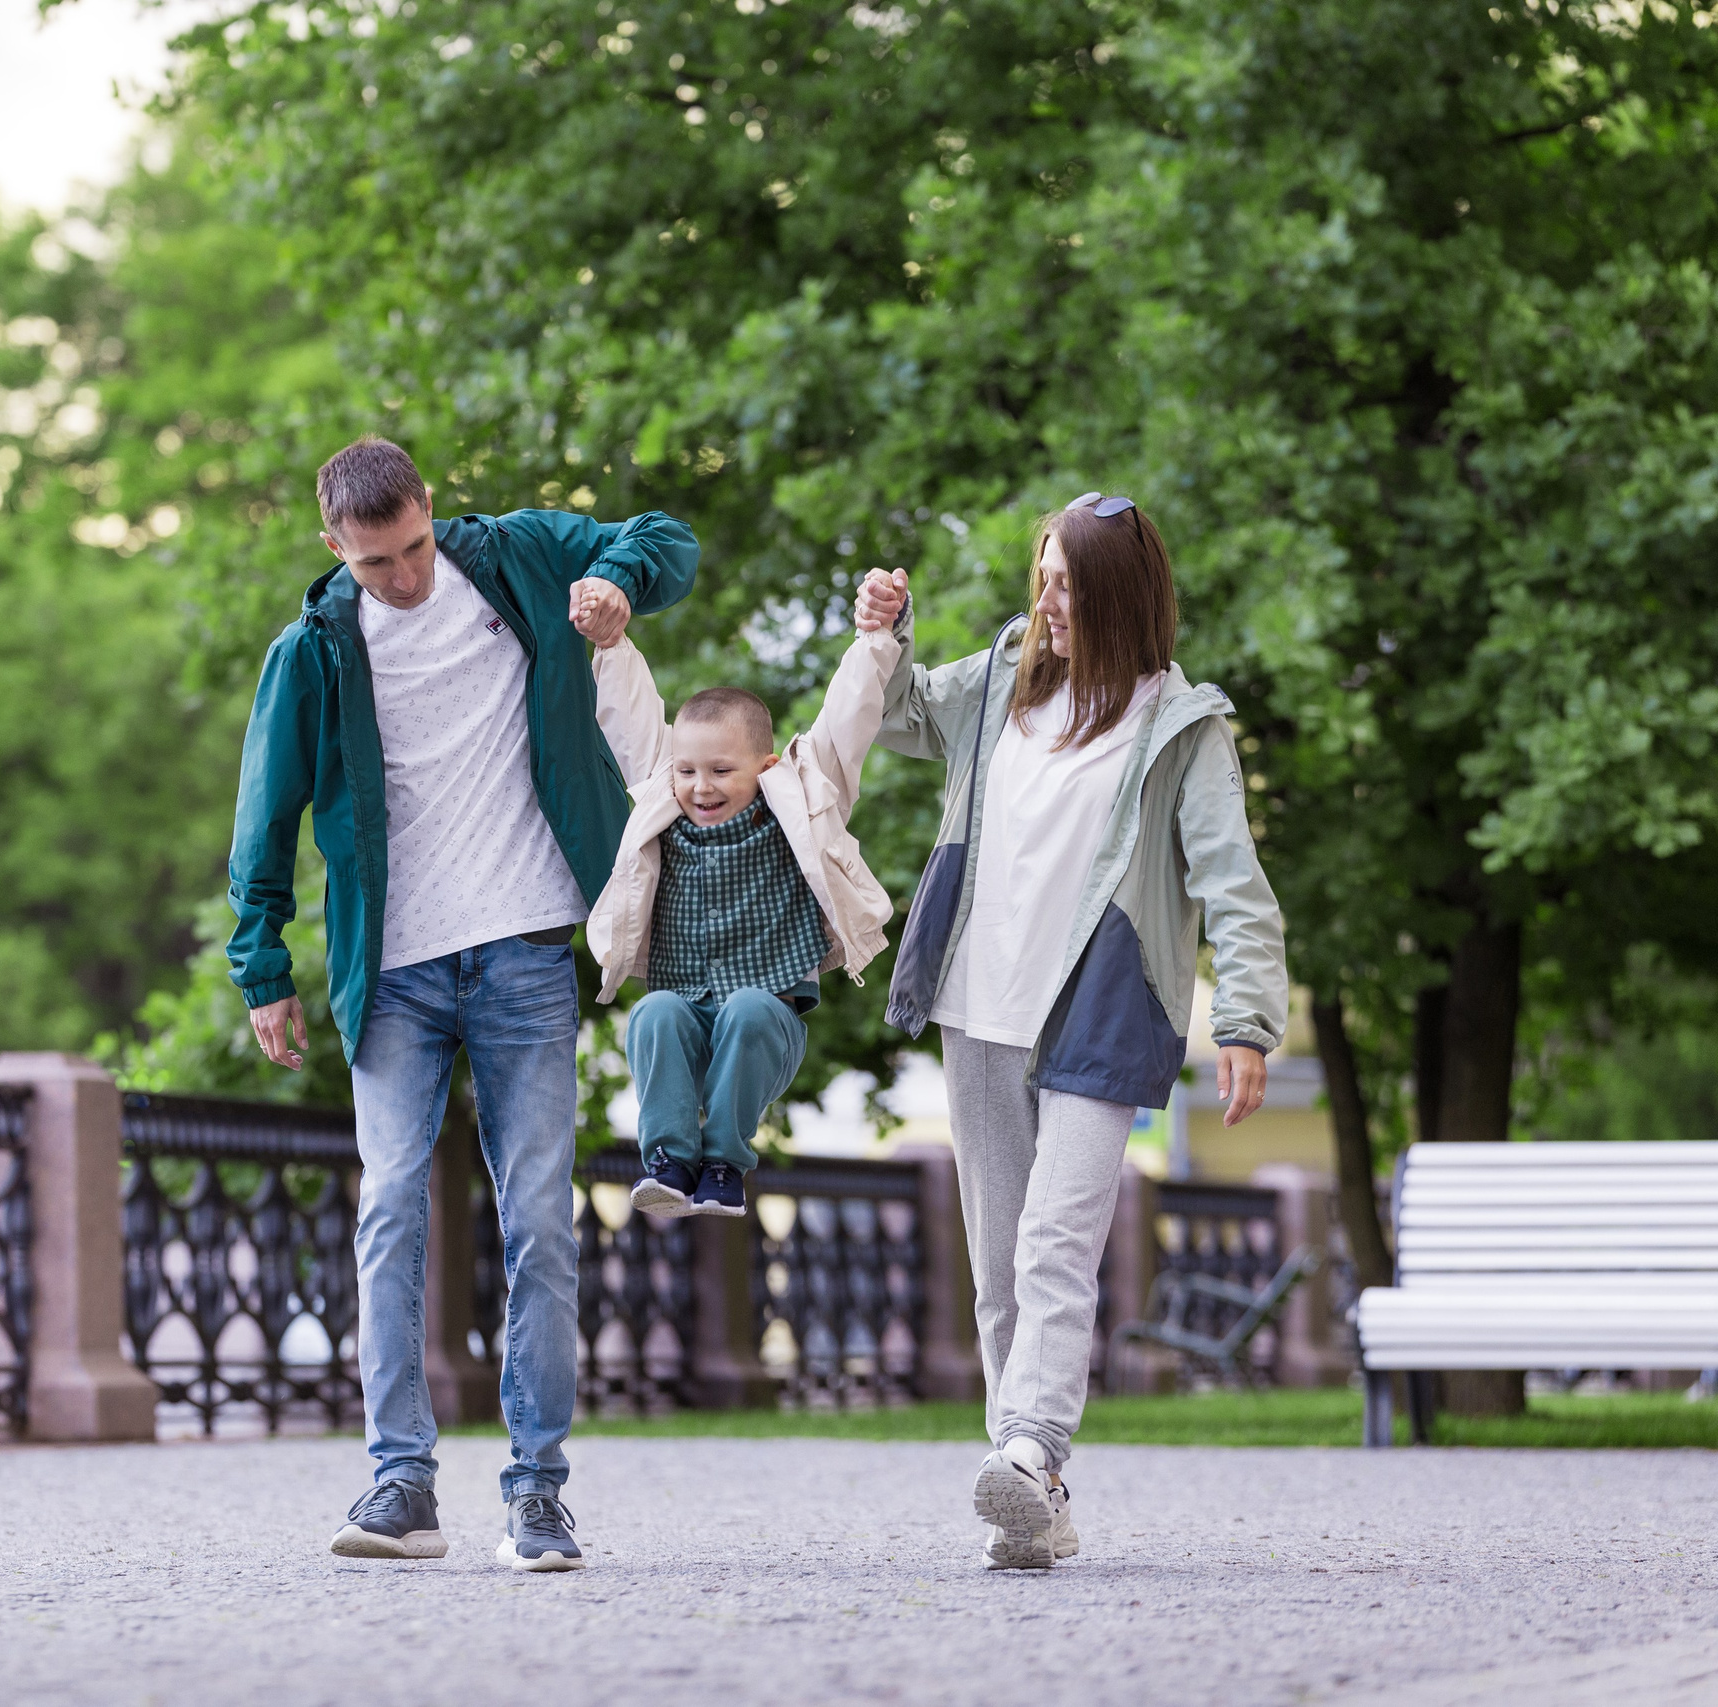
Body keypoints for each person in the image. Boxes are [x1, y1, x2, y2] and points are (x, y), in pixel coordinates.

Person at [227, 436, 698, 1572]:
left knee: (538, 1220)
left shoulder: (518, 558)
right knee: (390, 1207)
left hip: (525, 949)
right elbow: (264, 815)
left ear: (431, 509)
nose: (403, 576)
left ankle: (537, 1493)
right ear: (333, 545)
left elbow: (669, 540)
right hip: (392, 972)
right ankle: (401, 1483)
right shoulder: (314, 651)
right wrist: (263, 969)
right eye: (375, 560)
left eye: (414, 546)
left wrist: (615, 581)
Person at [867, 493, 1288, 1570]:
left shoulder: (1179, 727)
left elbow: (1234, 885)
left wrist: (1245, 1020)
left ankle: (1029, 1448)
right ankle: (1034, 1492)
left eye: (1069, 584)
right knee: (999, 1268)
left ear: (1121, 596)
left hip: (1102, 1010)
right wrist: (888, 633)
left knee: (1056, 1244)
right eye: (1043, 578)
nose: (1048, 601)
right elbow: (900, 713)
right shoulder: (1001, 680)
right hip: (978, 1007)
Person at [575, 576, 905, 1219]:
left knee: (750, 1008)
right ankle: (670, 1163)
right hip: (687, 1017)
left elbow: (847, 721)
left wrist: (875, 638)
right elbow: (632, 721)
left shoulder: (801, 799)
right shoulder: (664, 800)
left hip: (764, 1025)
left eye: (722, 771)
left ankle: (724, 1163)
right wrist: (611, 645)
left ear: (766, 767)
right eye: (688, 770)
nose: (701, 787)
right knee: (653, 1012)